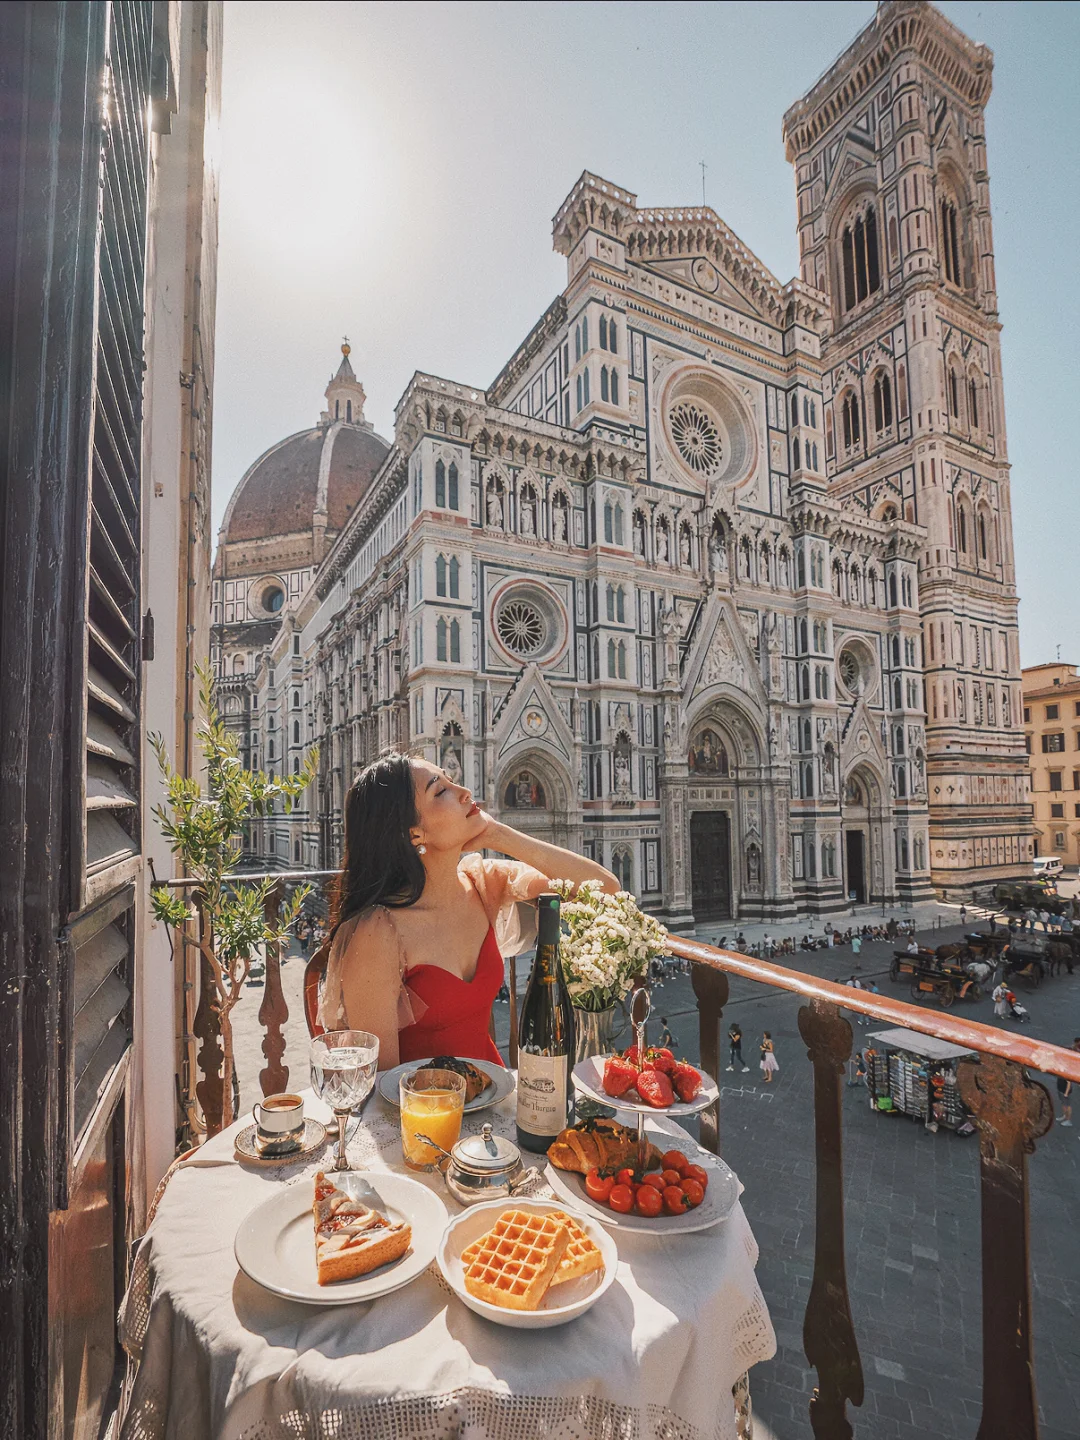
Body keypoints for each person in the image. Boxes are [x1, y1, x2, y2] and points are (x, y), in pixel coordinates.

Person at [319, 753, 618, 1067]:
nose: (465, 792)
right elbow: (378, 1082)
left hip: (492, 1092)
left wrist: (499, 834)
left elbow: (604, 891)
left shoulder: (482, 884)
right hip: (421, 1109)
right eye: (441, 791)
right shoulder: (378, 931)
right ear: (413, 834)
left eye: (452, 779)